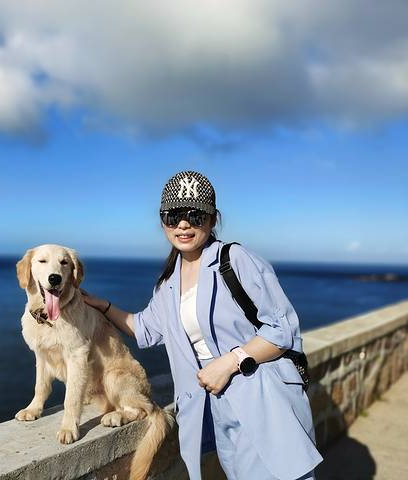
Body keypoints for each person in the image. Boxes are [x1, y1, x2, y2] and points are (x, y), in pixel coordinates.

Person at [80, 170, 323, 480]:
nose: (183, 224)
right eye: (173, 216)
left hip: (262, 397)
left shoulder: (234, 260)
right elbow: (144, 329)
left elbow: (282, 329)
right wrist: (103, 306)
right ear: (163, 221)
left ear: (212, 219)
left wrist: (229, 362)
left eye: (195, 215)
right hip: (216, 407)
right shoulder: (168, 285)